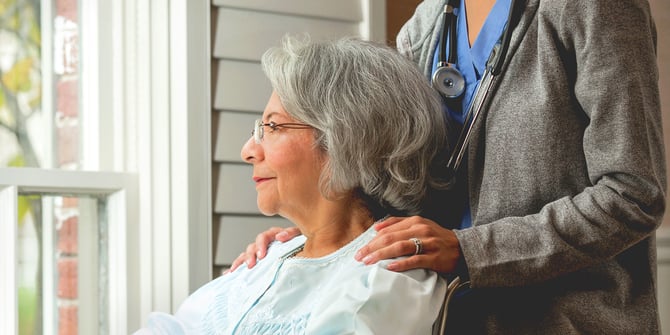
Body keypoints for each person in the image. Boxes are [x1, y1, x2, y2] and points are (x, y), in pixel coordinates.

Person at [231, 0, 667, 334]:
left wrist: (472, 250)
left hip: (565, 322)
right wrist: (315, 237)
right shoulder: (425, 26)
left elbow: (632, 194)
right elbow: (391, 178)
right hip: (445, 320)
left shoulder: (593, 8)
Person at [134, 35, 454, 334]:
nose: (248, 151)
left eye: (272, 127)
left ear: (346, 139)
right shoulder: (267, 258)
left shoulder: (385, 280)